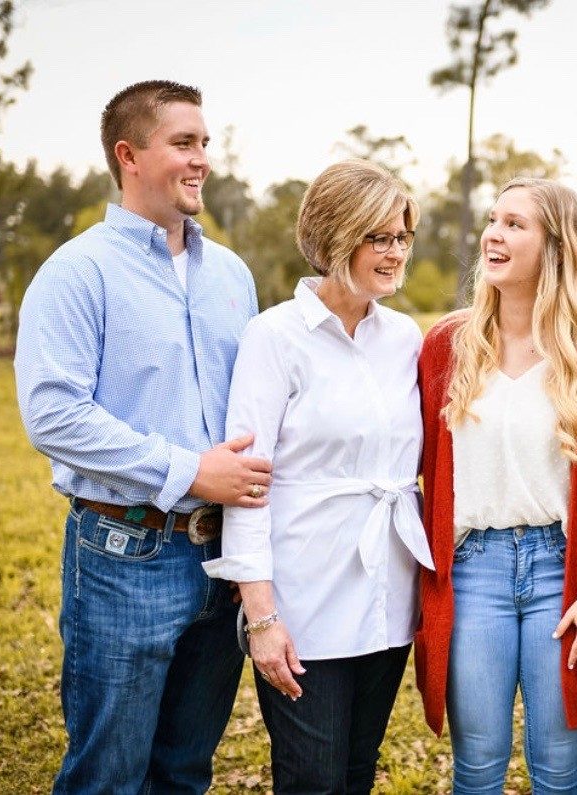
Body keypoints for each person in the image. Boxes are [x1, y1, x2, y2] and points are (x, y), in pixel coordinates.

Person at [14, 80, 271, 794]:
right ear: (129, 155)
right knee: (109, 776)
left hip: (222, 556)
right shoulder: (78, 272)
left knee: (184, 773)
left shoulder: (232, 275)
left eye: (205, 143)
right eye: (183, 143)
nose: (202, 159)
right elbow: (54, 414)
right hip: (124, 553)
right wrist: (188, 470)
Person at [202, 159, 432, 794]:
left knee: (357, 773)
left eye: (402, 236)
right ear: (336, 238)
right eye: (378, 238)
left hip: (388, 597)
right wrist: (261, 617)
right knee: (313, 779)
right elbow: (247, 485)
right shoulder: (274, 337)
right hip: (305, 603)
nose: (396, 253)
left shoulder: (404, 337)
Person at [416, 178, 577, 794]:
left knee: (557, 770)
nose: (494, 235)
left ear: (555, 245)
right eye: (492, 220)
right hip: (472, 570)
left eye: (514, 224)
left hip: (561, 572)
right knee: (477, 765)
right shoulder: (447, 345)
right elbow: (416, 466)